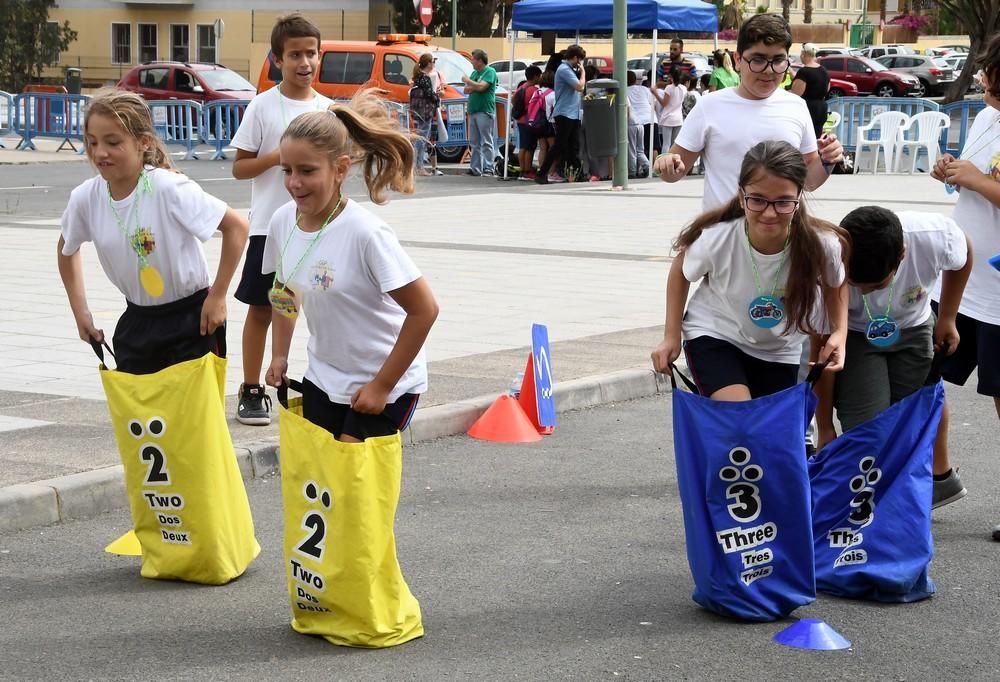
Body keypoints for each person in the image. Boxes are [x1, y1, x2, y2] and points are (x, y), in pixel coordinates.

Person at [263, 96, 439, 442]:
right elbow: (284, 293)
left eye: (307, 171)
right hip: (326, 376)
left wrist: (382, 385)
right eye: (287, 170)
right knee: (321, 486)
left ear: (340, 169)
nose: (294, 183)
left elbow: (425, 310)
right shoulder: (282, 222)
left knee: (353, 485)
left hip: (385, 383)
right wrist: (279, 355)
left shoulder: (365, 233)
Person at [57, 89, 249, 375]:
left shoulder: (167, 188)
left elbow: (236, 227)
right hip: (138, 320)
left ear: (143, 142)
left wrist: (218, 295)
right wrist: (80, 311)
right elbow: (66, 248)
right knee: (143, 417)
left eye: (112, 142)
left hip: (192, 319)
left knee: (192, 416)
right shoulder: (86, 198)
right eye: (92, 142)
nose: (99, 153)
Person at [650, 140, 847, 400]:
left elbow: (837, 282)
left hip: (779, 349)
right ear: (742, 196)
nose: (769, 213)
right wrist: (671, 336)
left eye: (783, 202)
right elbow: (680, 270)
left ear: (799, 196)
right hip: (717, 334)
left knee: (765, 436)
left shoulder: (822, 245)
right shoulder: (718, 239)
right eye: (758, 200)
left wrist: (839, 332)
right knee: (741, 418)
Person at [813, 207, 971, 503]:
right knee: (866, 427)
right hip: (855, 335)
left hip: (913, 328)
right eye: (857, 286)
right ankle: (863, 499)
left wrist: (948, 316)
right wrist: (823, 427)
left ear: (902, 255)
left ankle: (902, 499)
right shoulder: (829, 255)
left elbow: (964, 254)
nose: (868, 293)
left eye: (877, 286)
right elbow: (822, 352)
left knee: (908, 420)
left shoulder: (933, 235)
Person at [230, 13, 332, 425]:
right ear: (277, 59)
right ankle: (252, 387)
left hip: (315, 230)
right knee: (260, 308)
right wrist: (279, 157)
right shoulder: (262, 106)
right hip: (268, 227)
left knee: (306, 306)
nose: (304, 62)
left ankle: (318, 380)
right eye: (294, 55)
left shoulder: (328, 110)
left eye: (311, 53)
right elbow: (240, 168)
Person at [654, 14, 843, 212]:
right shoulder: (709, 106)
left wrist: (827, 159)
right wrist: (665, 163)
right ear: (737, 59)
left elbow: (808, 182)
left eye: (778, 60)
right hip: (723, 235)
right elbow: (673, 171)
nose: (768, 70)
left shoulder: (796, 106)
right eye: (758, 60)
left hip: (780, 237)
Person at [929, 34, 1000, 532]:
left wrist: (976, 180)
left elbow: (983, 182)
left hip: (998, 292)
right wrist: (951, 172)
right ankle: (938, 477)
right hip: (957, 279)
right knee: (921, 381)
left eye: (987, 70)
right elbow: (970, 179)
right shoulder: (985, 116)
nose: (979, 77)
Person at [535, 44, 586, 184]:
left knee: (573, 145)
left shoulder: (568, 69)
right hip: (565, 113)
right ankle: (542, 173)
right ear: (575, 58)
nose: (580, 63)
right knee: (559, 145)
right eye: (580, 60)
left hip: (573, 113)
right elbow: (580, 86)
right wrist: (583, 72)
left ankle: (577, 173)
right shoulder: (564, 69)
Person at [461, 49, 498, 177]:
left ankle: (488, 167)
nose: (472, 62)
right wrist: (474, 85)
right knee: (474, 141)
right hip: (473, 110)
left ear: (480, 61)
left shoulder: (490, 72)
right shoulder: (475, 73)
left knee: (486, 140)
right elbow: (466, 90)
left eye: (473, 59)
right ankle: (475, 167)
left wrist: (469, 81)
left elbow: (482, 87)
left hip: (485, 110)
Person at [409, 53, 440, 177]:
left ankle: (416, 166)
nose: (434, 64)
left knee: (419, 137)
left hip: (418, 110)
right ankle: (419, 167)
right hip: (425, 111)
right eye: (433, 61)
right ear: (428, 63)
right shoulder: (425, 78)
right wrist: (438, 97)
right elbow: (430, 94)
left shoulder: (417, 77)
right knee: (422, 139)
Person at [790, 43, 831, 138]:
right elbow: (827, 88)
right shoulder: (823, 70)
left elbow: (796, 94)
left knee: (806, 140)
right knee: (817, 138)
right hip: (821, 108)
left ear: (804, 54)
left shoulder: (804, 71)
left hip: (807, 110)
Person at [515, 65, 542, 181]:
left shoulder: (521, 88)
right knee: (530, 147)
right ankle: (528, 171)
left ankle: (522, 170)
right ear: (535, 76)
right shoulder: (534, 90)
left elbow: (513, 100)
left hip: (520, 120)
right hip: (529, 121)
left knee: (523, 146)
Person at [651, 67, 686, 154]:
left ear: (670, 76)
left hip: (668, 118)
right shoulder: (683, 88)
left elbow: (664, 103)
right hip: (678, 118)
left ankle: (664, 163)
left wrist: (655, 93)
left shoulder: (669, 88)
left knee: (666, 144)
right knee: (674, 144)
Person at [626, 70, 653, 178]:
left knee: (631, 150)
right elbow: (651, 102)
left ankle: (632, 172)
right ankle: (648, 167)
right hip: (642, 122)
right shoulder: (644, 89)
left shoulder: (624, 91)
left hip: (631, 123)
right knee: (640, 150)